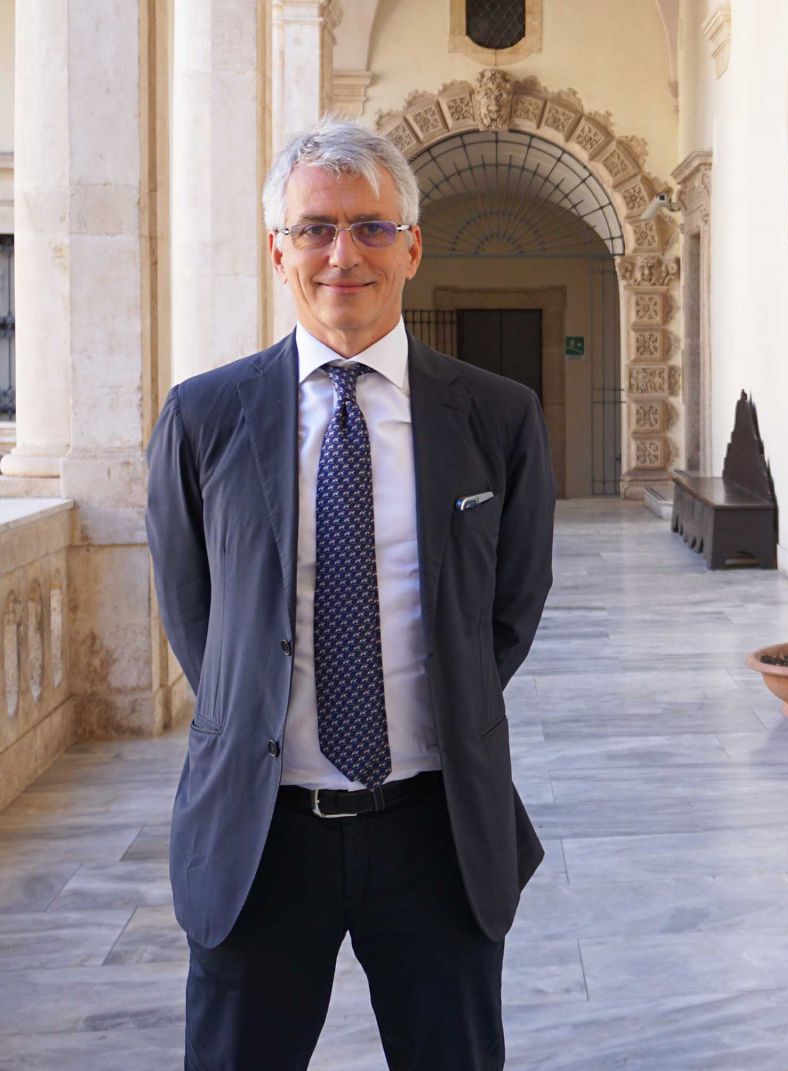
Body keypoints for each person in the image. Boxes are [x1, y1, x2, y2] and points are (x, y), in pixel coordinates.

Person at [146, 118, 555, 1070]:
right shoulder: (203, 416)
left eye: (372, 227)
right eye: (316, 228)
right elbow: (196, 615)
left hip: (437, 835)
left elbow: (510, 608)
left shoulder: (499, 415)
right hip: (260, 839)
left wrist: (442, 699)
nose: (344, 254)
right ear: (278, 250)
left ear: (412, 247)